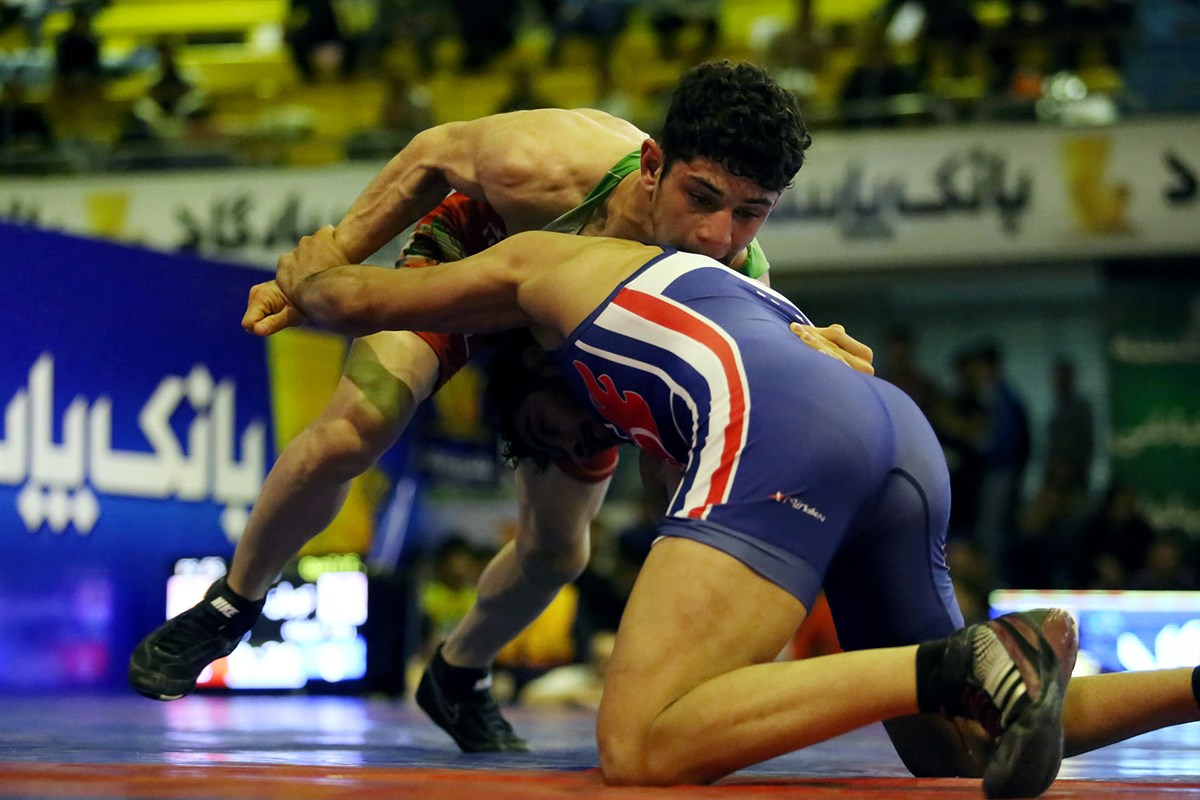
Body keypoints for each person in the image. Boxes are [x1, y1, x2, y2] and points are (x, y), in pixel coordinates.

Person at [274, 227, 1199, 795]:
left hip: (789, 421)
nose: (569, 445)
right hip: (890, 429)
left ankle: (969, 657)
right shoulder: (725, 295)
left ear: (525, 359)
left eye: (543, 428)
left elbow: (362, 297)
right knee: (956, 750)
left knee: (638, 746)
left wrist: (310, 269)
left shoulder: (538, 265)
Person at [128, 61, 875, 752]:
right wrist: (330, 262)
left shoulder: (740, 293)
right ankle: (231, 604)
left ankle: (458, 673)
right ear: (653, 165)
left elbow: (681, 482)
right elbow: (430, 155)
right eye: (701, 198)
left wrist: (814, 395)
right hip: (480, 263)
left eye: (750, 213)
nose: (717, 236)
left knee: (559, 552)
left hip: (578, 340)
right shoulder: (552, 162)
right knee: (355, 430)